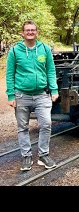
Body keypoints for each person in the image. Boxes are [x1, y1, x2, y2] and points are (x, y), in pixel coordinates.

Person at [5, 20, 59, 171]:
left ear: (37, 32)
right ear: (22, 33)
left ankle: (43, 156)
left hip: (42, 94)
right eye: (27, 30)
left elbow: (50, 70)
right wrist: (11, 95)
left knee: (46, 124)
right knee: (23, 127)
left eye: (33, 30)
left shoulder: (45, 49)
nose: (30, 32)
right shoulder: (15, 51)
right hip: (22, 95)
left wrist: (54, 90)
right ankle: (26, 157)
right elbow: (9, 74)